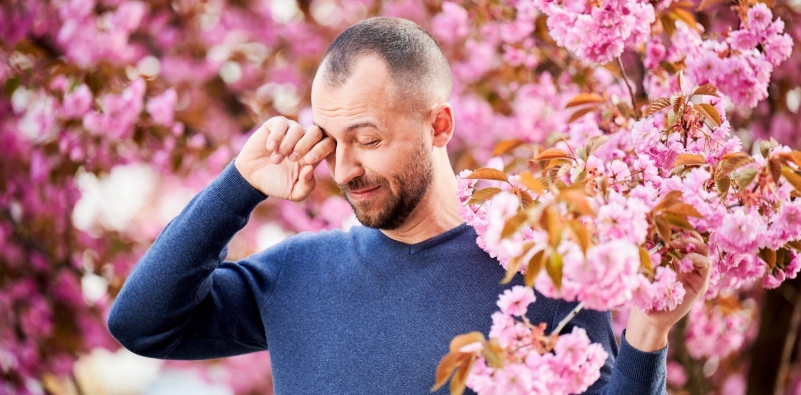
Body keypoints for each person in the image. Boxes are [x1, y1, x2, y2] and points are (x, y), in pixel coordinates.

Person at [107, 17, 711, 394]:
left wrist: (650, 332)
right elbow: (142, 324)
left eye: (367, 140)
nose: (344, 168)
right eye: (332, 140)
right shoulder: (291, 278)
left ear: (439, 125)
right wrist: (238, 184)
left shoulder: (545, 269)